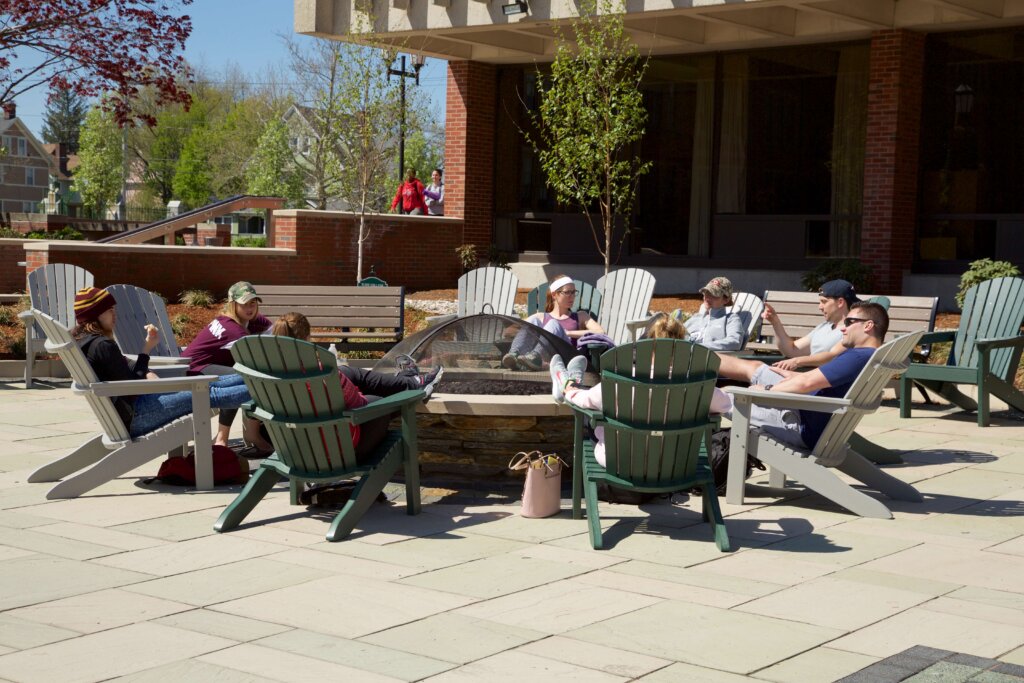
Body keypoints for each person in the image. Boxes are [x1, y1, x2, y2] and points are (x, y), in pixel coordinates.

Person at [549, 315, 732, 467]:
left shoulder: (624, 380)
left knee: (589, 413)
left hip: (620, 461)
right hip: (676, 464)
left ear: (647, 345)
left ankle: (567, 383)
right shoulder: (697, 385)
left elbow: (586, 401)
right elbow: (727, 405)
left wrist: (571, 392)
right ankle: (571, 381)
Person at [71, 286, 251, 439]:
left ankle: (260, 383)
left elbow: (128, 371)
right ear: (94, 315)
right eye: (109, 310)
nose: (114, 314)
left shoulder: (87, 342)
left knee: (209, 386)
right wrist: (148, 361)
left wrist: (147, 356)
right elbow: (133, 385)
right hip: (138, 415)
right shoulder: (102, 345)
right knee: (208, 393)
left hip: (127, 414)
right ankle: (264, 391)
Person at [263, 312, 443, 462]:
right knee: (378, 402)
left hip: (296, 451)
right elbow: (357, 403)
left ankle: (408, 380)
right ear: (307, 339)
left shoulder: (266, 375)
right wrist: (362, 394)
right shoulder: (322, 373)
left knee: (349, 373)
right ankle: (412, 386)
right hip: (340, 452)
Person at [715, 301, 889, 450]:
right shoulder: (869, 356)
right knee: (756, 368)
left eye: (849, 322)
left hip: (800, 424)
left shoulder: (858, 357)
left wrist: (767, 390)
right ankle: (701, 356)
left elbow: (806, 384)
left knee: (720, 396)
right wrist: (793, 376)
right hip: (810, 412)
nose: (843, 328)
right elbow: (813, 380)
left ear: (868, 325)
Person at [183, 282, 272, 447]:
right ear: (233, 304)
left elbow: (274, 331)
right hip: (193, 372)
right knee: (245, 379)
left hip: (203, 367)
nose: (250, 308)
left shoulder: (247, 319)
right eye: (244, 304)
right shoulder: (232, 330)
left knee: (244, 377)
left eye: (253, 303)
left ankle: (245, 436)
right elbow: (257, 359)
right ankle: (225, 439)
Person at [502, 274, 604, 371]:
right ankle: (513, 356)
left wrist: (567, 333)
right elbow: (509, 331)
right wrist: (530, 333)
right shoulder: (540, 317)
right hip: (545, 359)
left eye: (573, 292)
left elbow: (600, 332)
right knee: (533, 321)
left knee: (553, 324)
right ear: (554, 295)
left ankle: (536, 358)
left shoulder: (580, 316)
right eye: (567, 292)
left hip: (567, 359)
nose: (572, 296)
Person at [762, 279, 861, 371]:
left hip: (817, 379)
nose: (820, 307)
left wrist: (797, 361)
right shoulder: (824, 326)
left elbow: (832, 356)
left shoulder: (853, 329)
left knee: (755, 368)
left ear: (840, 302)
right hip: (803, 375)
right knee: (754, 366)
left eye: (824, 302)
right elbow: (791, 350)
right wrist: (775, 322)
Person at [670, 276, 746, 351]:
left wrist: (698, 347)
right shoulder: (696, 318)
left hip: (706, 357)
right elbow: (680, 336)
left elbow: (734, 342)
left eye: (714, 294)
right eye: (706, 293)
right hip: (682, 353)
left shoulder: (731, 319)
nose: (708, 298)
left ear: (726, 300)